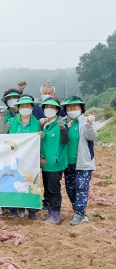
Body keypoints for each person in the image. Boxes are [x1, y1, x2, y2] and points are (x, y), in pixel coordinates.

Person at [0, 95, 41, 220]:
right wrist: (2, 117)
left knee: (30, 182)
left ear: (32, 107)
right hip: (14, 158)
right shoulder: (11, 121)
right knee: (13, 182)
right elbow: (1, 133)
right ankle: (13, 209)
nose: (25, 108)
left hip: (30, 159)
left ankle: (32, 211)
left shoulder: (37, 123)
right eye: (22, 106)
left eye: (27, 106)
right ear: (18, 108)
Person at [61, 96, 97, 225]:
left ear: (81, 108)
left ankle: (79, 213)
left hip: (83, 162)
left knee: (81, 188)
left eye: (75, 106)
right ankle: (79, 211)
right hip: (67, 162)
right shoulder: (63, 122)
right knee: (70, 189)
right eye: (69, 107)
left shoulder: (86, 121)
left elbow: (92, 137)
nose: (72, 109)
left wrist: (89, 124)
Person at [39, 97, 69, 224]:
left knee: (54, 190)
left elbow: (65, 141)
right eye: (46, 107)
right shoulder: (45, 125)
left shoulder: (60, 124)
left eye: (52, 107)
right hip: (45, 164)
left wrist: (62, 129)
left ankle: (56, 214)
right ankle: (51, 212)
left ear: (57, 110)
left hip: (56, 164)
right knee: (47, 190)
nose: (49, 110)